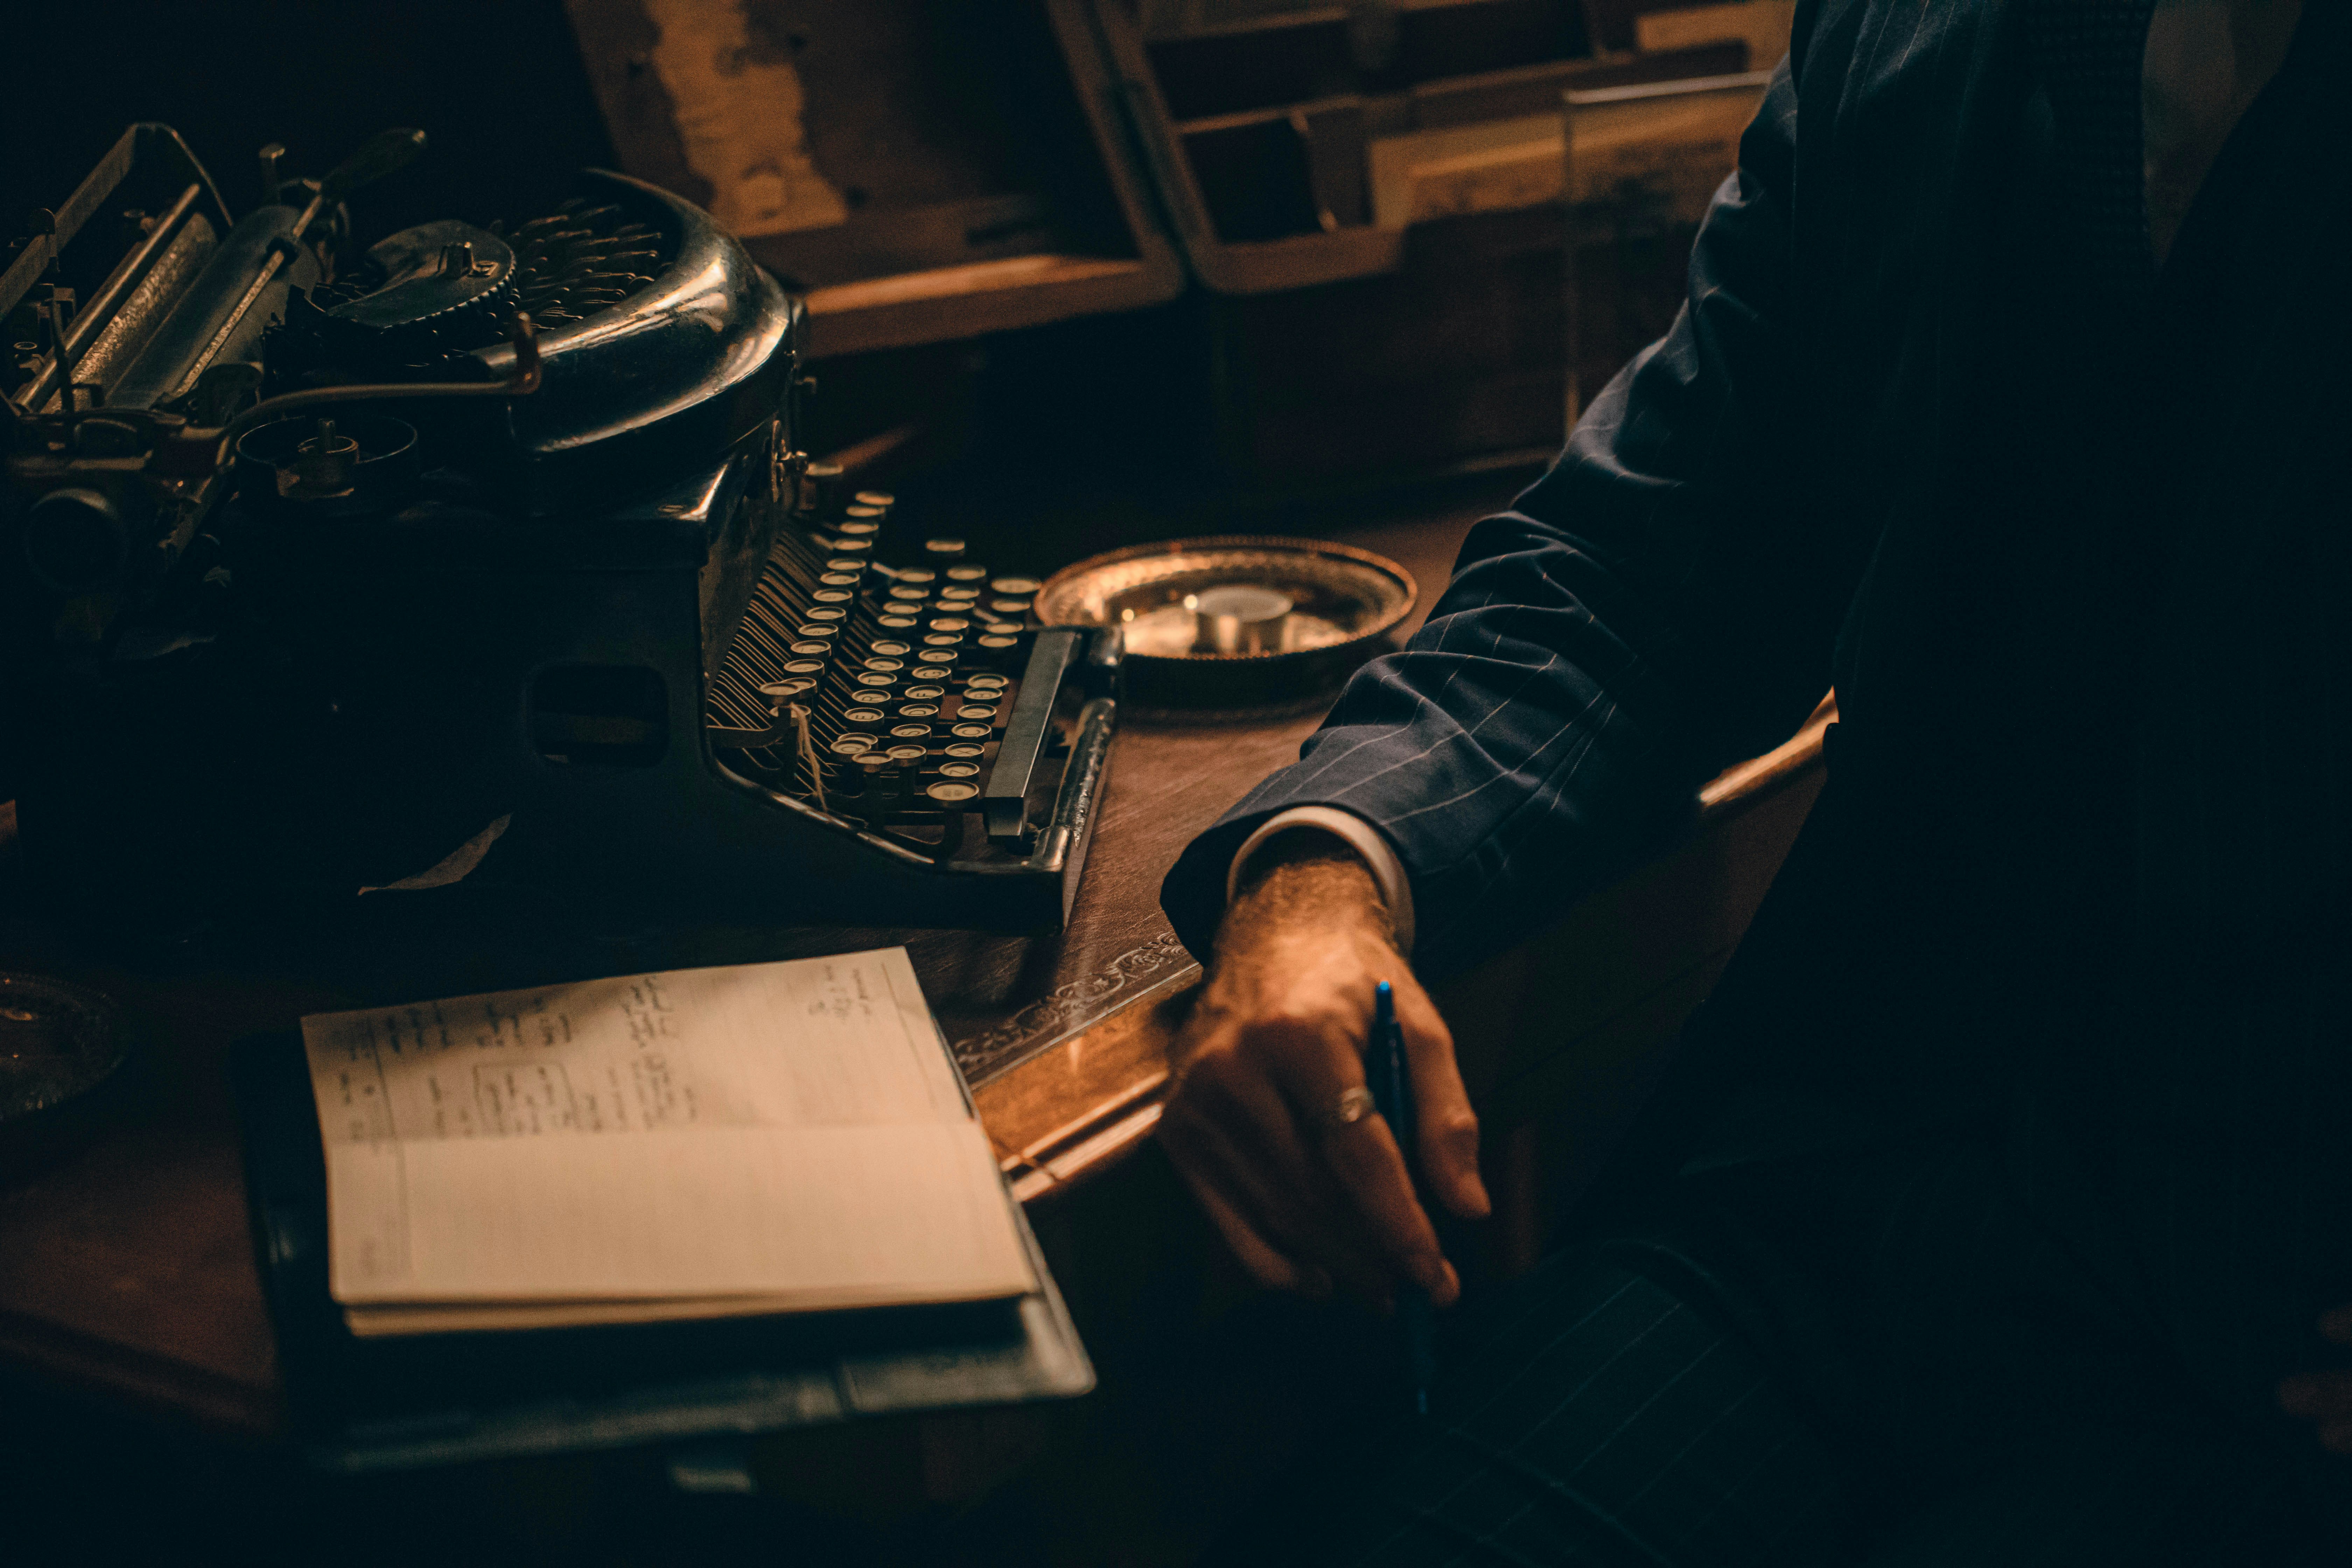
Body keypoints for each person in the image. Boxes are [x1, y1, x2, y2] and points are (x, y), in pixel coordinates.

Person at [1155, 1, 2352, 1561]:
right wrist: (1323, 881)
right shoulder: (1915, 32)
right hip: (1835, 1206)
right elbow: (1650, 556)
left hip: (2266, 1349)